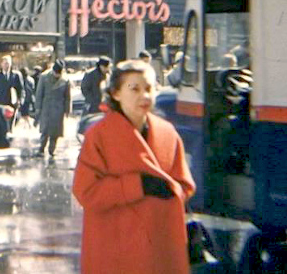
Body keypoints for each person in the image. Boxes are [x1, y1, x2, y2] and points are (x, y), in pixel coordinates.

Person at [72, 59, 196, 274]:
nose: (144, 96)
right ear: (116, 93)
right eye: (134, 89)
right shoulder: (99, 135)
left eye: (149, 88)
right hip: (116, 248)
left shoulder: (168, 133)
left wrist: (173, 192)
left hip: (160, 244)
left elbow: (185, 184)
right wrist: (138, 185)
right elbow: (85, 192)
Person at [34, 59, 71, 157]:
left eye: (59, 74)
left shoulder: (65, 80)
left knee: (55, 132)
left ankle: (52, 150)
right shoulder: (44, 77)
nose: (57, 76)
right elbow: (39, 93)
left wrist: (67, 110)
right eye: (55, 73)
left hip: (58, 109)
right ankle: (41, 149)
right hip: (46, 107)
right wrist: (38, 107)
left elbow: (67, 97)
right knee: (45, 130)